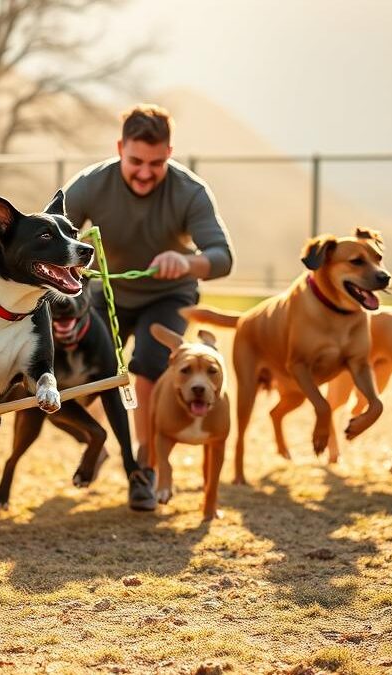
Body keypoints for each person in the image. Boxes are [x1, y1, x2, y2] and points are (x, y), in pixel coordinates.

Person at [63, 103, 234, 510]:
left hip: (169, 295)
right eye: (136, 160)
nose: (144, 172)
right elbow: (47, 235)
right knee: (81, 380)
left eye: (156, 163)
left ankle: (144, 467)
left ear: (169, 154)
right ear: (119, 147)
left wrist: (188, 262)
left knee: (147, 367)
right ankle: (95, 440)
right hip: (105, 294)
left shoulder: (189, 191)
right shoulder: (89, 185)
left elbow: (222, 256)